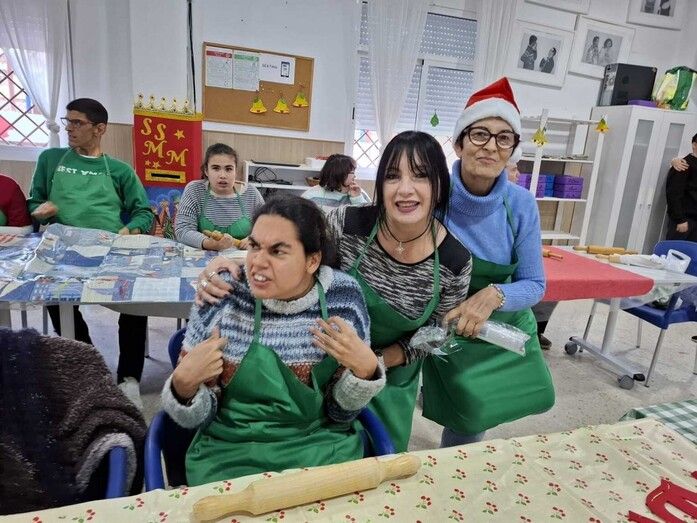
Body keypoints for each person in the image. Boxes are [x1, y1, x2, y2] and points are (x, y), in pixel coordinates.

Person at [194, 131, 473, 452]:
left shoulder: (455, 261)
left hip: (390, 379)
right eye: (393, 176)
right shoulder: (347, 224)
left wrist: (375, 361)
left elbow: (437, 333)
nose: (405, 189)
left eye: (420, 176)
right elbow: (291, 252)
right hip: (320, 367)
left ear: (440, 185)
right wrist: (232, 264)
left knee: (376, 464)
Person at [162, 195, 384, 483]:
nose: (257, 263)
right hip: (228, 454)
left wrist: (365, 373)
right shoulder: (222, 294)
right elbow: (199, 419)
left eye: (278, 251)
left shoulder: (343, 300)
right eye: (254, 246)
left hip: (320, 450)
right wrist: (182, 386)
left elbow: (340, 414)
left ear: (312, 260)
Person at [422, 77, 555, 447]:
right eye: (480, 134)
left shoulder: (521, 204)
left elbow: (535, 284)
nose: (491, 147)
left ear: (512, 149)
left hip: (500, 330)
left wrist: (494, 295)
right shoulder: (432, 197)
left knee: (473, 415)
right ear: (459, 143)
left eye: (503, 138)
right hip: (441, 322)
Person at [27, 98, 153, 410]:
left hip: (109, 249)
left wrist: (129, 230)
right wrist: (40, 211)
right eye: (67, 121)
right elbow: (34, 202)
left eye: (77, 123)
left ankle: (129, 378)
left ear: (100, 129)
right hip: (65, 250)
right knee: (53, 297)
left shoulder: (120, 170)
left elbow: (143, 212)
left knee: (137, 298)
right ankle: (90, 365)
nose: (69, 128)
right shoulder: (50, 159)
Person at [175, 143, 264, 250]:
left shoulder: (251, 193)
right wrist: (210, 244)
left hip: (244, 256)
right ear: (206, 171)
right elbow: (182, 230)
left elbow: (267, 228)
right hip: (203, 255)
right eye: (216, 168)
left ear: (236, 171)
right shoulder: (194, 190)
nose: (222, 175)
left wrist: (253, 239)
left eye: (228, 169)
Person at [301, 153, 369, 212]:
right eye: (353, 172)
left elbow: (370, 218)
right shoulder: (311, 196)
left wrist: (357, 198)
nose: (355, 176)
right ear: (340, 174)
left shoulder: (359, 193)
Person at [666, 134, 697, 241]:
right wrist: (680, 219)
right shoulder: (683, 164)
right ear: (694, 145)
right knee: (675, 250)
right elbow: (673, 193)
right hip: (685, 222)